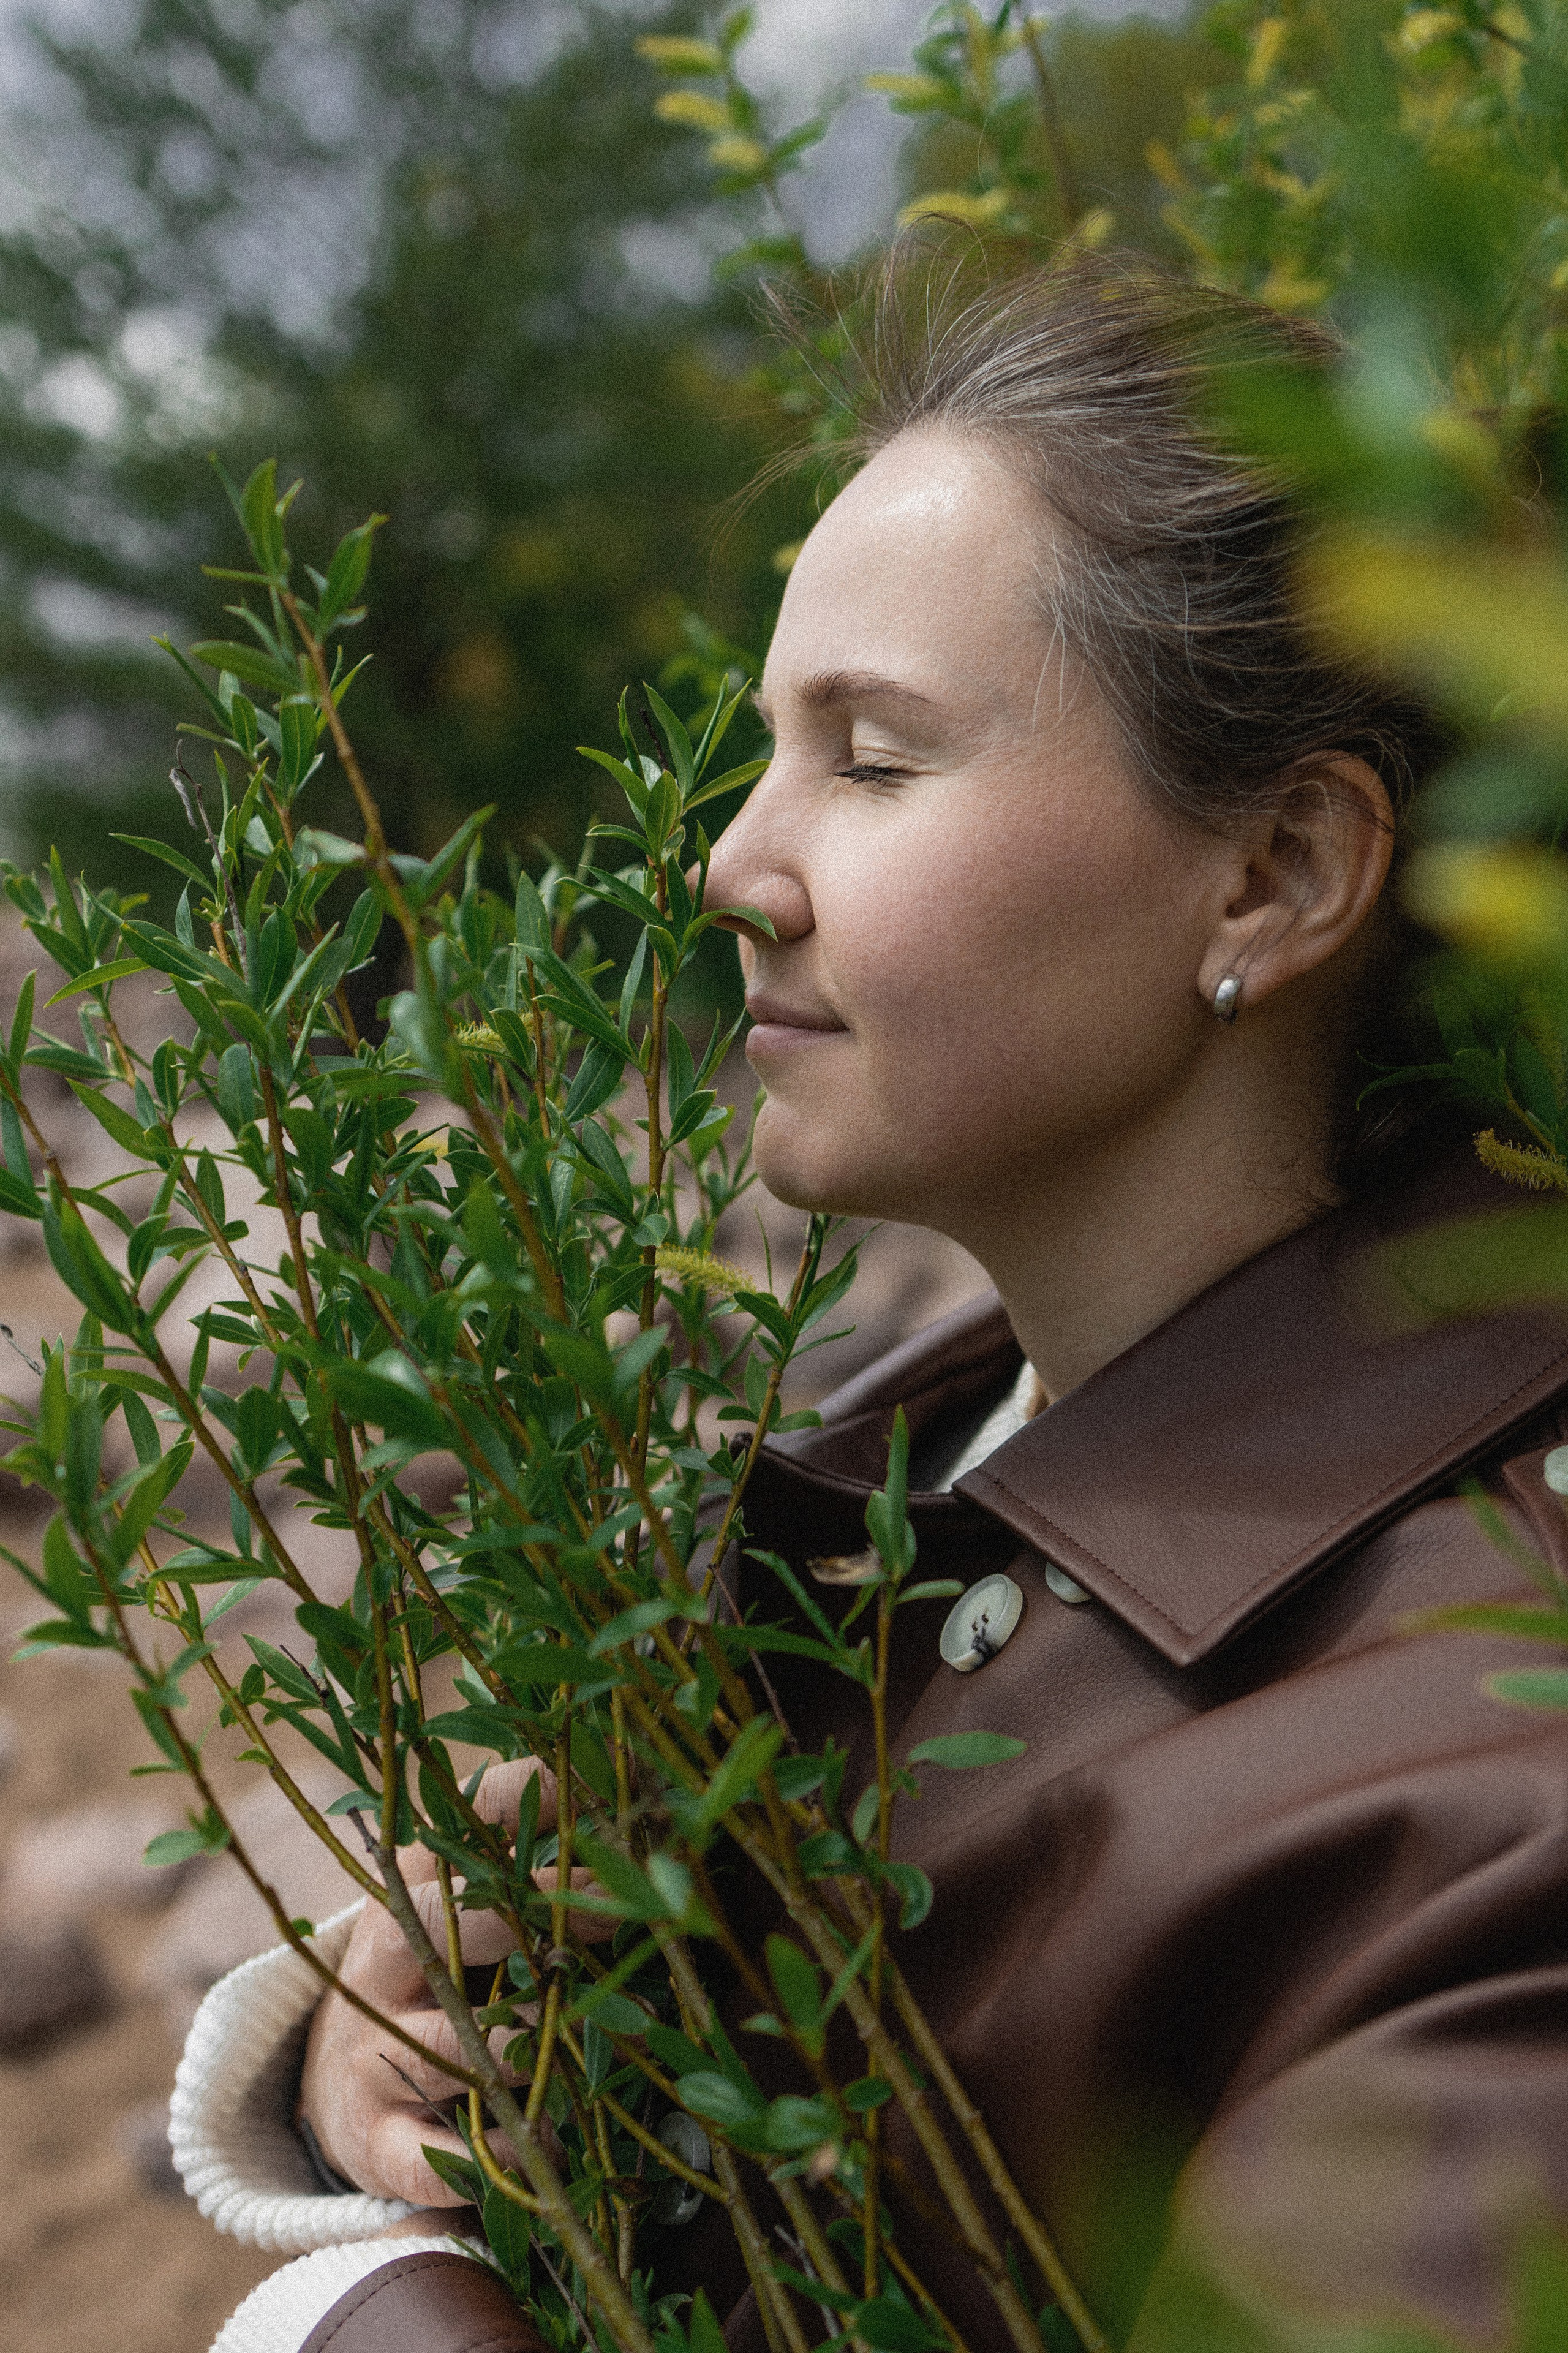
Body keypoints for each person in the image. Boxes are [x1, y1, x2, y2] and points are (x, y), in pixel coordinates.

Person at [172, 254, 1568, 2353]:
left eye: (876, 759)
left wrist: (369, 2317)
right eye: (765, 754)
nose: (735, 861)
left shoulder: (1502, 1761)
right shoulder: (894, 1485)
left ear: (1276, 871)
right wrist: (390, 2074)